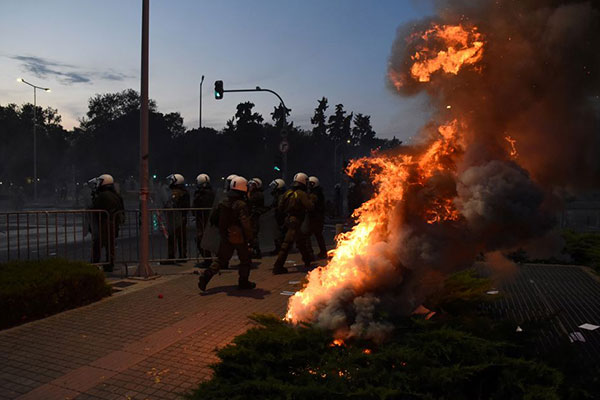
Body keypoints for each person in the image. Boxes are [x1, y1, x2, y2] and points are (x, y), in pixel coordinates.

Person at [198, 176, 256, 291]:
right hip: (239, 236)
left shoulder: (223, 202)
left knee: (221, 259)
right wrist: (250, 237)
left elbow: (214, 218)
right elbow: (245, 223)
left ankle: (206, 276)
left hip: (225, 235)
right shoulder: (241, 204)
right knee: (245, 260)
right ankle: (243, 282)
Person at [272, 172, 314, 274]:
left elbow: (280, 207)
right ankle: (278, 266)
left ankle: (307, 260)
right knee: (287, 244)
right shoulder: (301, 194)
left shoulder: (288, 193)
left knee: (300, 241)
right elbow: (310, 207)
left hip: (288, 219)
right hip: (296, 221)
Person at [88, 174, 124, 272]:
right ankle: (109, 264)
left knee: (98, 245)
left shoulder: (103, 196)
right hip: (113, 223)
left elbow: (95, 208)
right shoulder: (116, 195)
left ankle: (94, 264)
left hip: (104, 224)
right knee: (110, 246)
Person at [163, 173, 190, 264]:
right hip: (174, 218)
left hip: (179, 218)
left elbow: (183, 206)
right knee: (174, 238)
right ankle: (174, 256)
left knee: (180, 238)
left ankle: (180, 256)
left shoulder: (183, 193)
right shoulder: (175, 192)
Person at [193, 173, 215, 267]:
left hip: (204, 219)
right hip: (208, 219)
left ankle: (208, 260)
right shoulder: (211, 192)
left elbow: (196, 205)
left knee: (200, 239)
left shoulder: (201, 194)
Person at [307, 176, 328, 259]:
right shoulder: (317, 192)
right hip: (317, 217)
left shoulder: (316, 194)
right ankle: (323, 252)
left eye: (310, 184)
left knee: (310, 235)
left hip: (316, 217)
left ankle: (311, 253)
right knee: (318, 235)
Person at [247, 177, 265, 259]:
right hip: (253, 216)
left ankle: (256, 252)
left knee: (253, 234)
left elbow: (250, 202)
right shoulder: (254, 193)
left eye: (253, 185)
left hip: (254, 217)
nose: (250, 186)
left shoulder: (257, 194)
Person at [268, 178, 286, 255]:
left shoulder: (281, 196)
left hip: (281, 217)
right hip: (279, 216)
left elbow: (280, 207)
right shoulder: (278, 195)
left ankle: (280, 249)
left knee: (279, 233)